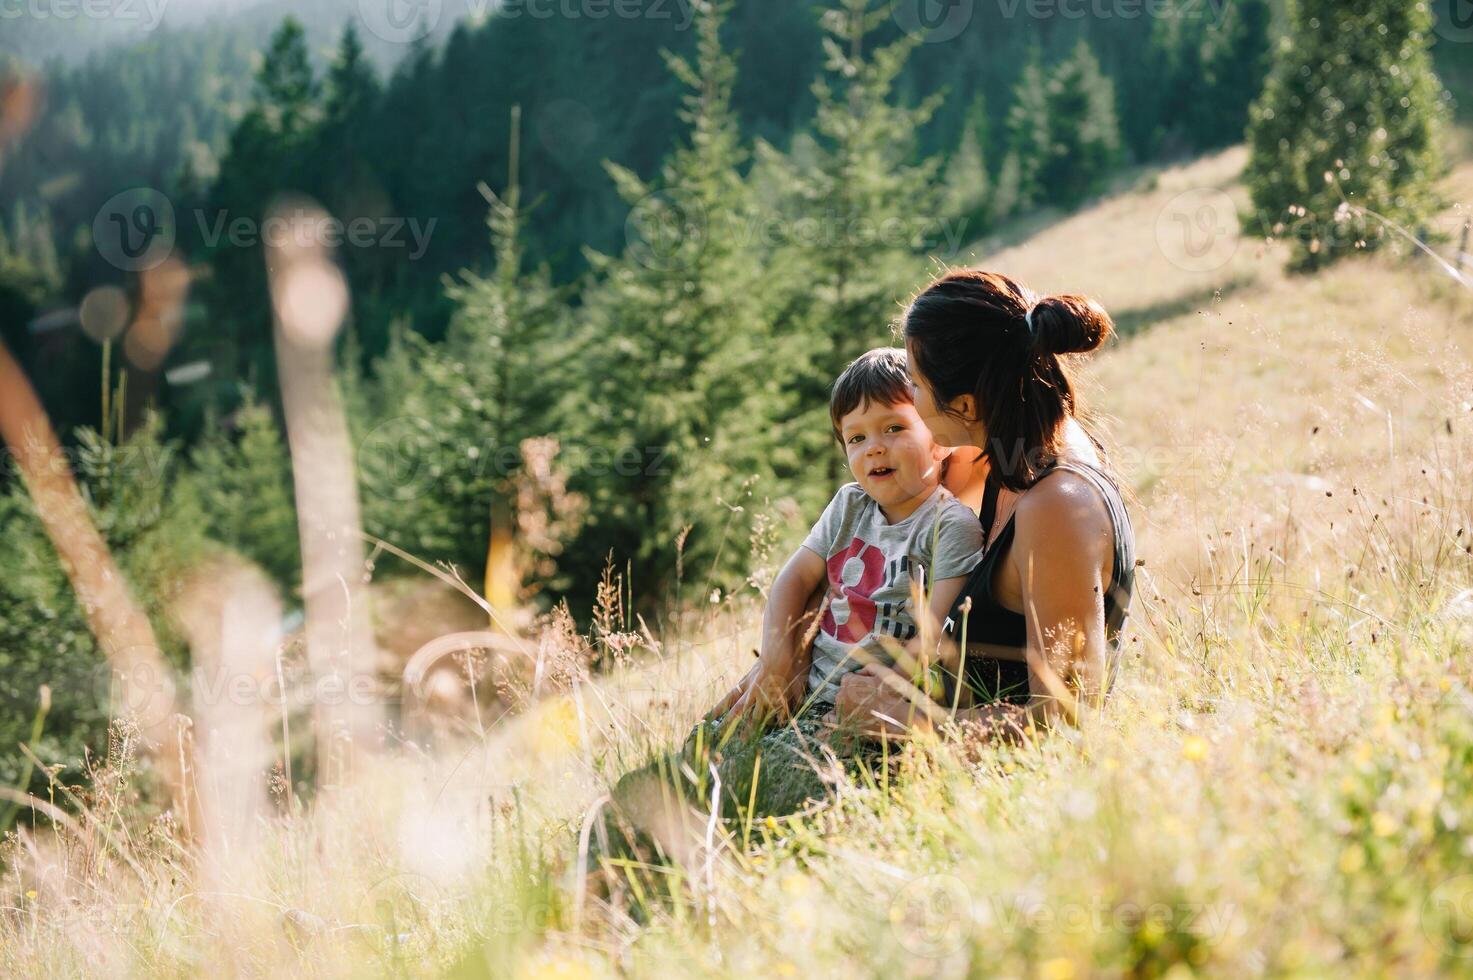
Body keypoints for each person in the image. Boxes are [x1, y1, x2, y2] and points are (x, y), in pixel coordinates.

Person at [716, 269, 1137, 744]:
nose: (910, 402)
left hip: (954, 764)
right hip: (856, 704)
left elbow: (1067, 721)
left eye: (914, 384)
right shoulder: (993, 451)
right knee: (696, 757)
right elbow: (861, 550)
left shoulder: (1057, 507)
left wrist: (901, 721)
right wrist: (785, 656)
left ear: (964, 404)